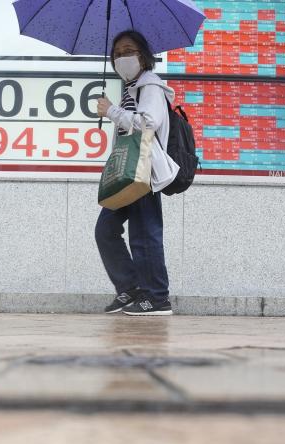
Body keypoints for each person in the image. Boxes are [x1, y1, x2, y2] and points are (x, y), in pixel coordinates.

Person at [95, 30, 179, 317]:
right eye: (117, 53)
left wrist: (111, 111)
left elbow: (148, 123)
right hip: (128, 170)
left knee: (145, 234)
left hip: (146, 170)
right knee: (105, 230)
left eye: (128, 50)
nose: (122, 57)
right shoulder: (130, 88)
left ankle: (157, 297)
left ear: (142, 56)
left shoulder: (150, 86)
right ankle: (131, 287)